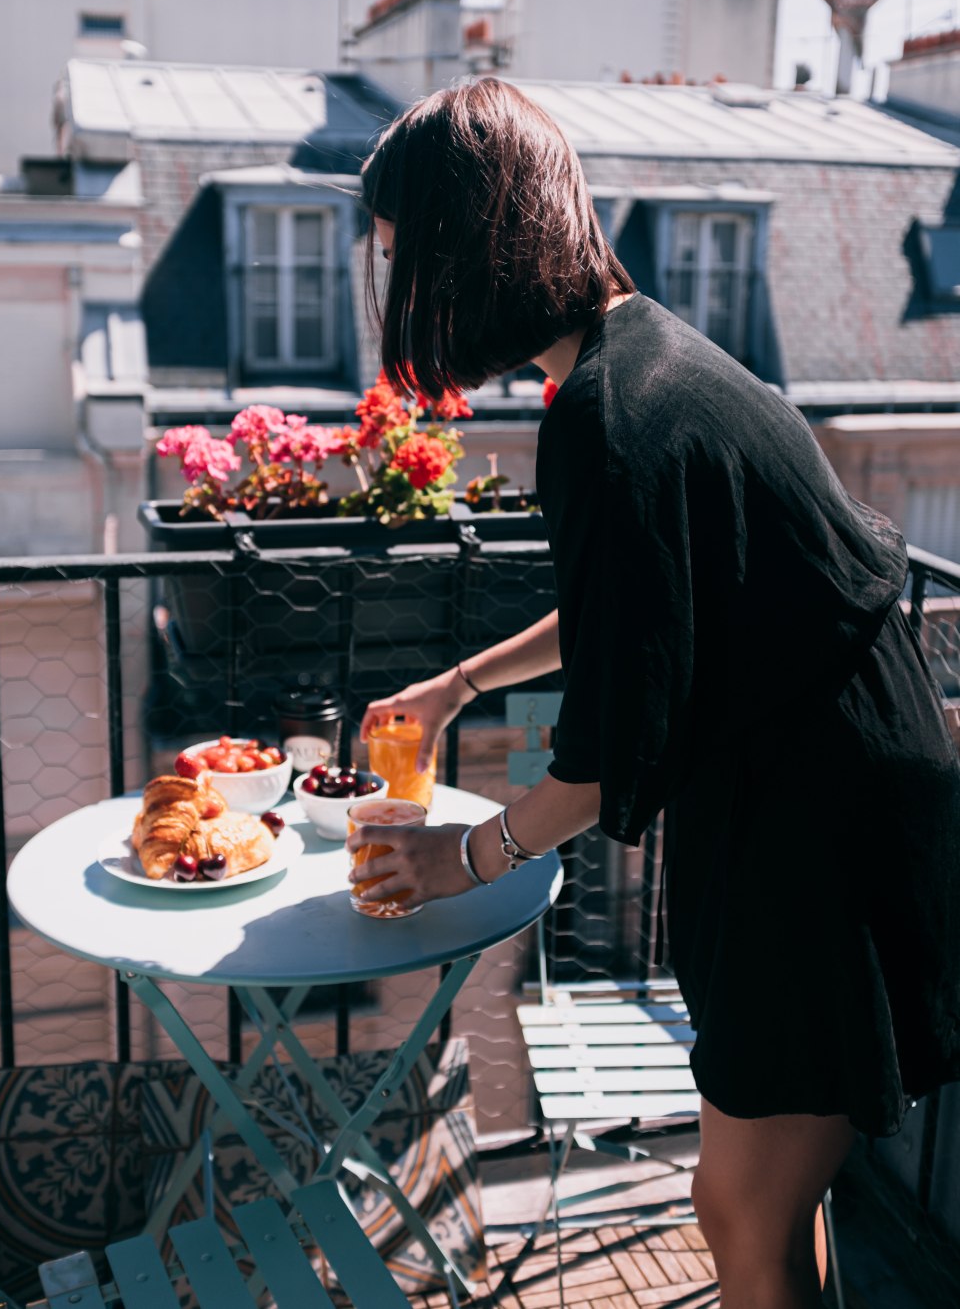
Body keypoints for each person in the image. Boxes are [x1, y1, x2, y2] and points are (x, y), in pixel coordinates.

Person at [345, 77, 960, 1309]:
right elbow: (648, 605)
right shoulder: (646, 355)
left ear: (469, 247)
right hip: (829, 790)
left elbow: (606, 748)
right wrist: (465, 681)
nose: (397, 281)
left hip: (816, 828)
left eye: (403, 252)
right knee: (761, 1203)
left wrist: (463, 859)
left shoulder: (604, 416)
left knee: (740, 1205)